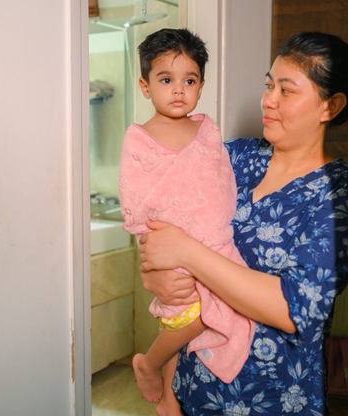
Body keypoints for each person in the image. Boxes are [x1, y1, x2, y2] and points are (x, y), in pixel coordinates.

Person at [138, 31, 348, 415]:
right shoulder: (232, 158)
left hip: (276, 400)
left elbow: (292, 309)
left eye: (287, 90)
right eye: (269, 85)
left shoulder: (344, 195)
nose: (268, 100)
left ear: (329, 106)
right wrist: (156, 274)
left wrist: (188, 252)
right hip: (191, 389)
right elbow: (165, 239)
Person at [119, 28, 255, 416]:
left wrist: (212, 227)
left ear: (201, 85)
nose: (178, 90)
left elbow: (219, 183)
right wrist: (155, 249)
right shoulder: (140, 137)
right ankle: (148, 362)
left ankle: (169, 399)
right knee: (190, 316)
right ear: (146, 87)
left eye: (189, 81)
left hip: (214, 243)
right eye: (166, 80)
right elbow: (136, 194)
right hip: (169, 244)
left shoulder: (207, 130)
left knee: (211, 310)